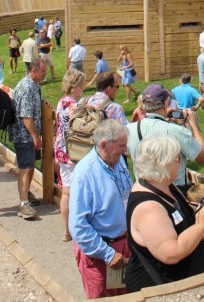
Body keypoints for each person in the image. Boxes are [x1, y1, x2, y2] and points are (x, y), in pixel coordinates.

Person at [125, 135, 204, 292]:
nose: (181, 161)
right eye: (178, 158)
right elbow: (171, 253)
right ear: (164, 164)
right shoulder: (149, 208)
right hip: (160, 289)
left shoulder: (162, 184)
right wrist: (202, 224)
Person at [69, 119, 132, 299]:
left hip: (123, 248)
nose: (125, 150)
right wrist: (107, 254)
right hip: (102, 254)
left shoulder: (117, 161)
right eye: (121, 145)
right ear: (104, 145)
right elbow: (78, 226)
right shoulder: (85, 174)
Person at [126, 84, 204, 185]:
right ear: (165, 104)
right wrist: (193, 124)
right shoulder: (177, 131)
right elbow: (203, 157)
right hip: (173, 194)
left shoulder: (129, 130)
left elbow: (128, 154)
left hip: (144, 191)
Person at [8, 58, 47, 220]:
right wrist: (35, 137)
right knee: (26, 167)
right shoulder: (27, 87)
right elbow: (26, 116)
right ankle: (23, 204)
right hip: (23, 136)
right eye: (43, 71)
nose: (45, 73)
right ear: (34, 70)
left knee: (30, 166)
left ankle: (26, 195)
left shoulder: (34, 85)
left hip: (27, 136)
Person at [54, 68, 86, 241]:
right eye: (81, 85)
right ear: (75, 86)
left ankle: (66, 231)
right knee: (75, 192)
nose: (82, 89)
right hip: (72, 151)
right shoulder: (74, 105)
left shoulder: (61, 102)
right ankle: (77, 229)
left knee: (66, 191)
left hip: (60, 149)